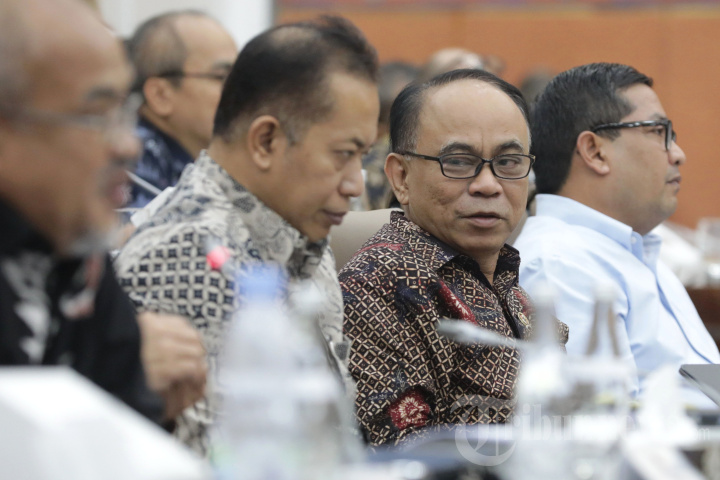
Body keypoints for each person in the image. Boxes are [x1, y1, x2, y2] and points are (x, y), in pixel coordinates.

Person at [116, 16, 380, 455]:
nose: (355, 184)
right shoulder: (187, 254)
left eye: (362, 157)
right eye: (343, 154)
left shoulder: (299, 230)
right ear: (266, 141)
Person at [0, 0, 206, 423]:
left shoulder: (73, 241)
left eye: (124, 112)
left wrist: (141, 398)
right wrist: (100, 394)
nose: (129, 145)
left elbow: (131, 397)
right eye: (96, 115)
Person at [339, 69, 569, 446]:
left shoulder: (508, 285)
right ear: (401, 177)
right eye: (459, 162)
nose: (488, 185)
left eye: (509, 162)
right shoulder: (381, 285)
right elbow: (407, 458)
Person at [513, 63, 720, 405]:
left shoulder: (634, 250)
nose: (678, 154)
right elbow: (601, 423)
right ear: (595, 152)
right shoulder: (560, 266)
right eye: (659, 132)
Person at [125, 11, 237, 208]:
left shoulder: (216, 163)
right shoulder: (130, 159)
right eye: (222, 77)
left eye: (240, 76)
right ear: (160, 95)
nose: (243, 92)